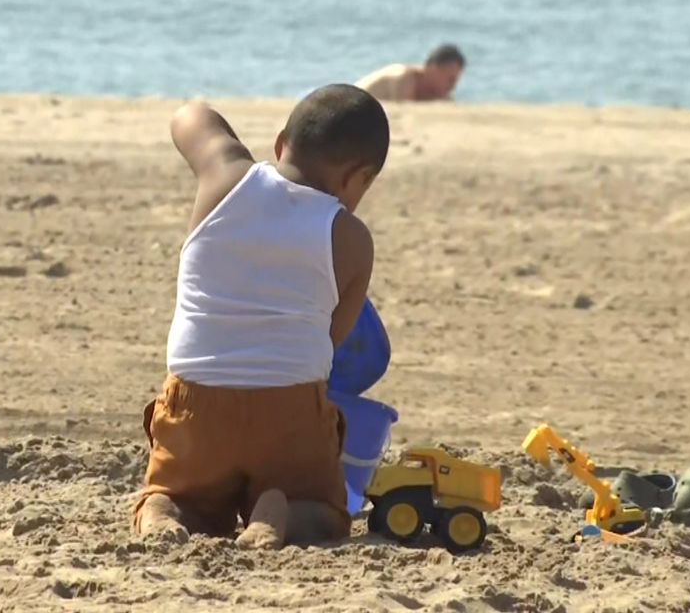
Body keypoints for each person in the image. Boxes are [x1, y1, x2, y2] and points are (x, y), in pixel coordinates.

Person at [134, 84, 389, 550]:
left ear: (279, 144)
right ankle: (282, 514)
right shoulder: (352, 239)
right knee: (324, 514)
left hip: (197, 407)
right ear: (361, 179)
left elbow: (189, 115)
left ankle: (166, 507)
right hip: (287, 412)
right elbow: (327, 348)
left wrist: (233, 157)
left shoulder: (224, 178)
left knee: (186, 496)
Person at [355, 44, 466, 103]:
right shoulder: (404, 78)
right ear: (433, 69)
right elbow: (405, 113)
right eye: (450, 80)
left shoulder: (435, 93)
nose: (452, 87)